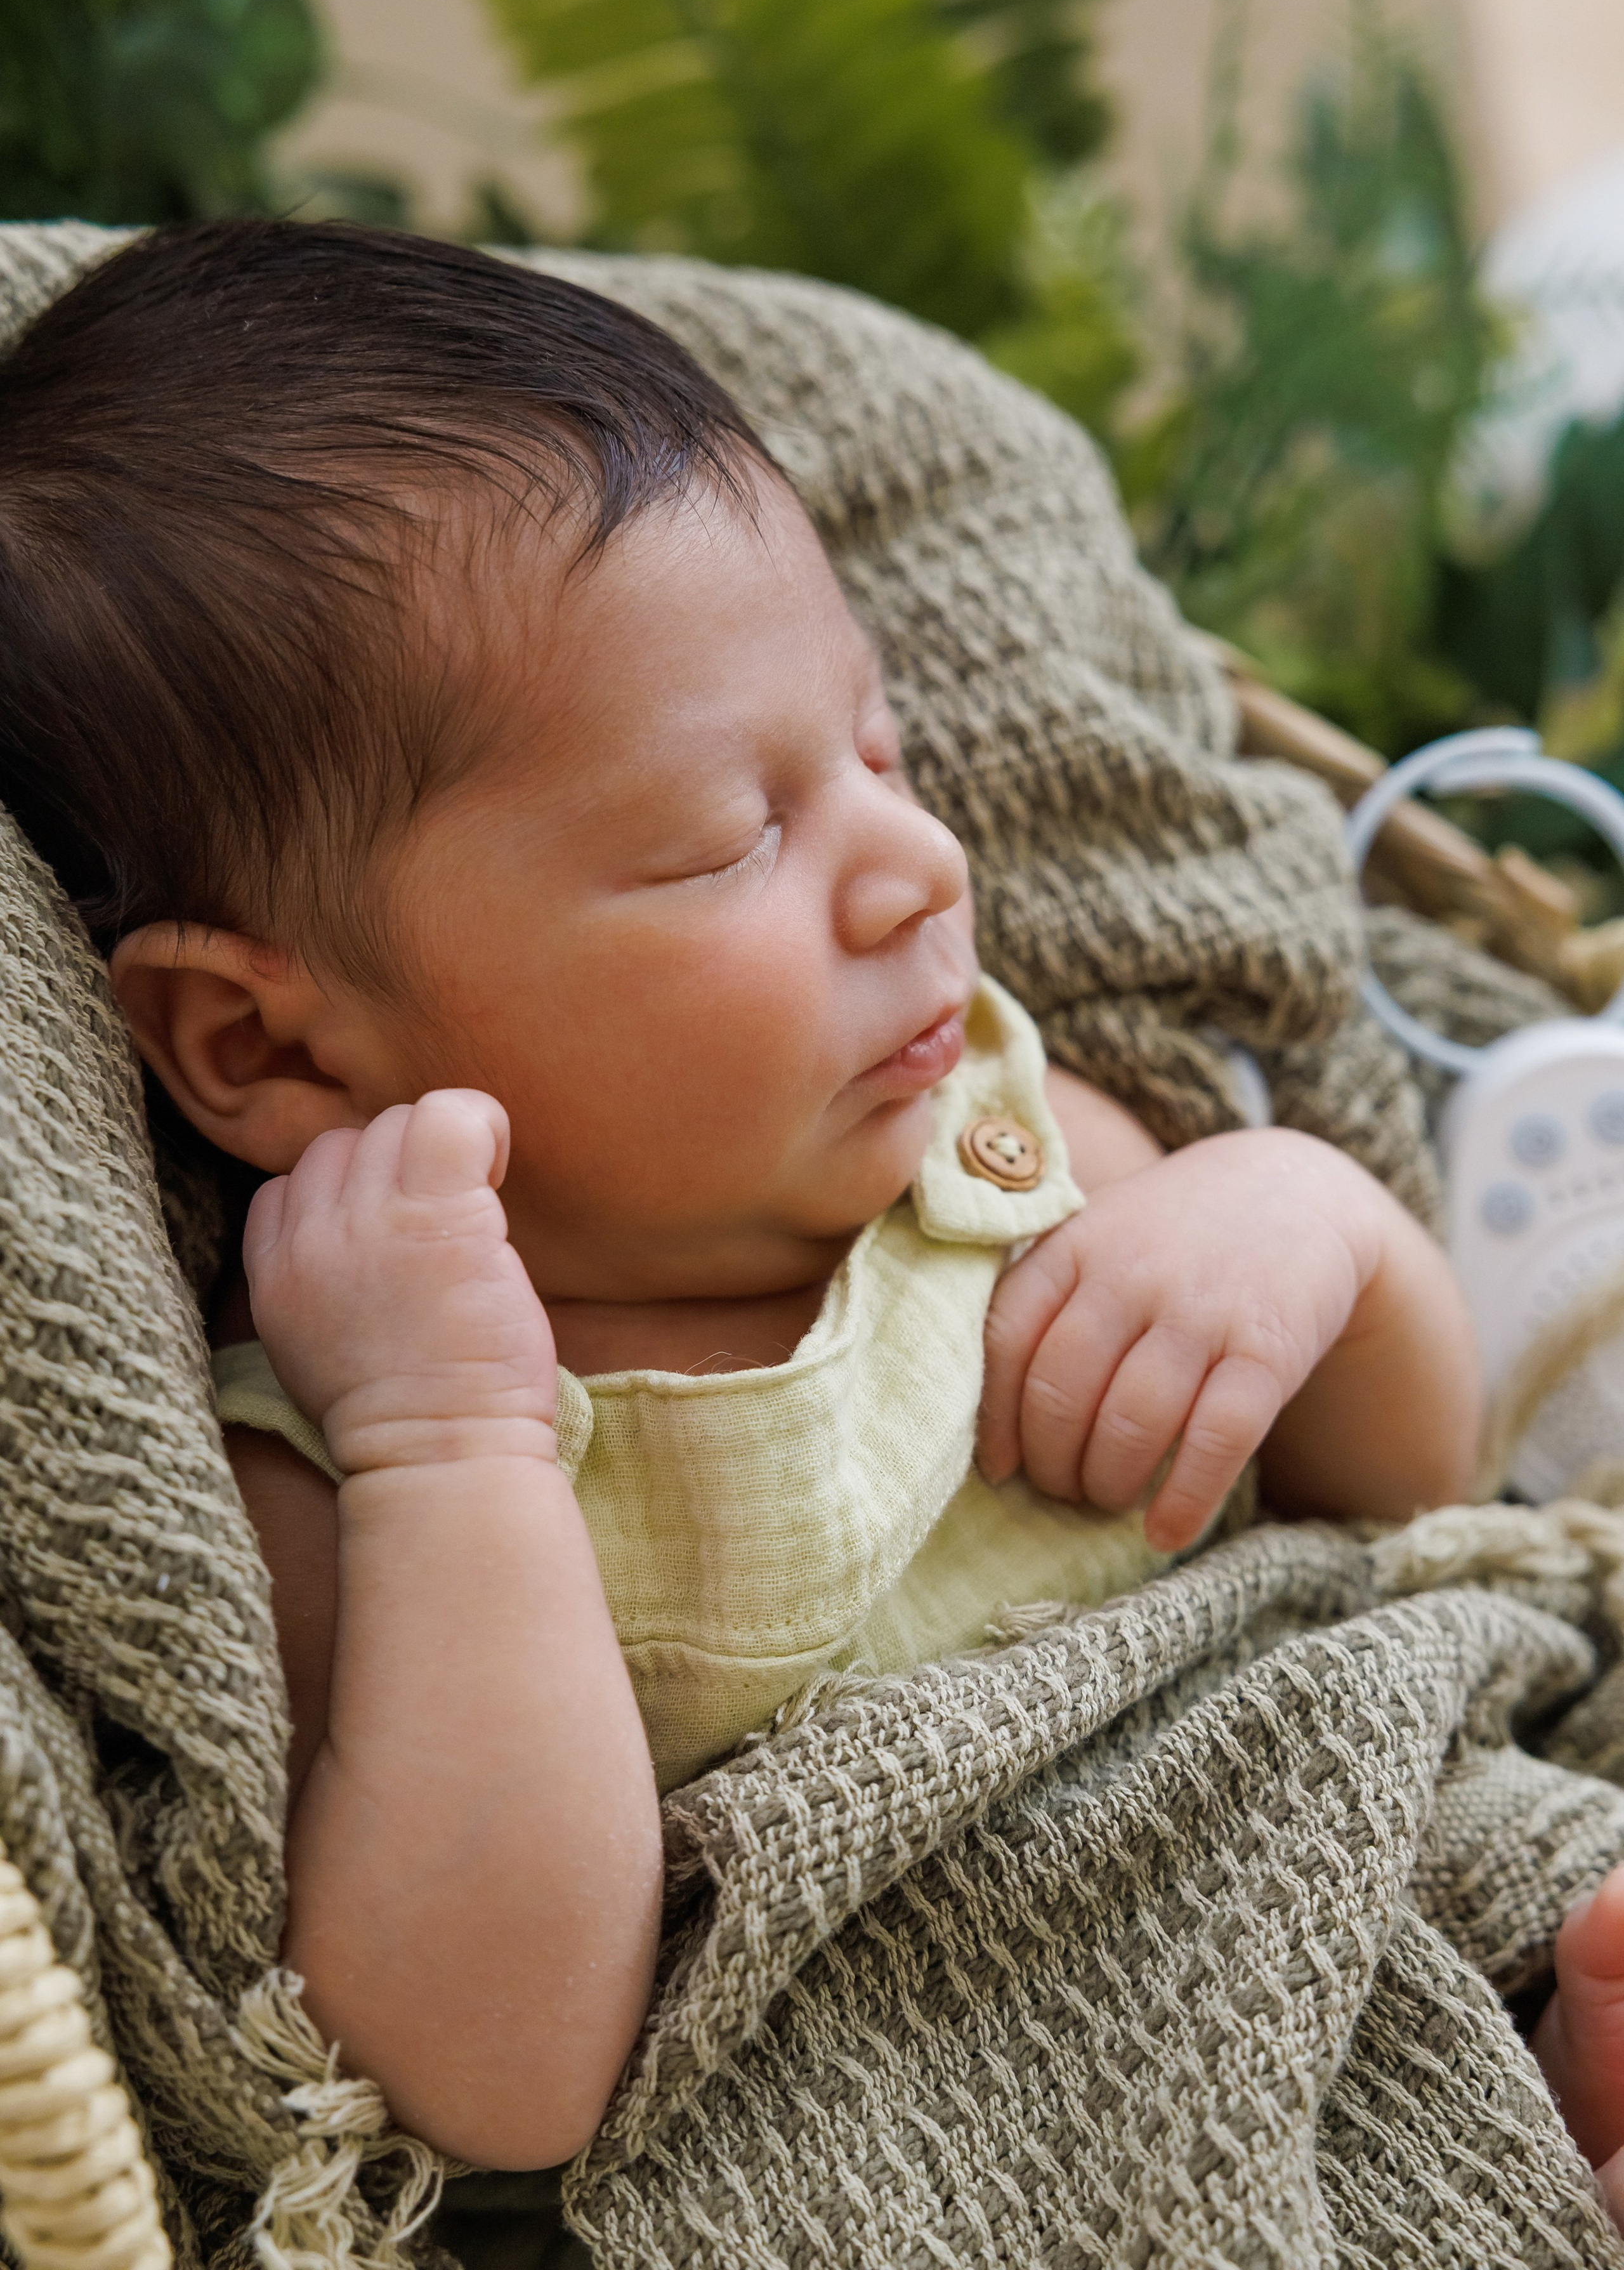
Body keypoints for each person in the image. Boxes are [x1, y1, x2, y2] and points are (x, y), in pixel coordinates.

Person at [0, 219, 1611, 2200]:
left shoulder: (1003, 1145)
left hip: (1387, 1874)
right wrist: (456, 1449)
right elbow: (493, 2086)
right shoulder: (353, 1479)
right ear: (268, 1052)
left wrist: (1300, 1226)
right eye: (734, 835)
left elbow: (1402, 1500)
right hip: (991, 2122)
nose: (920, 863)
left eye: (877, 749)